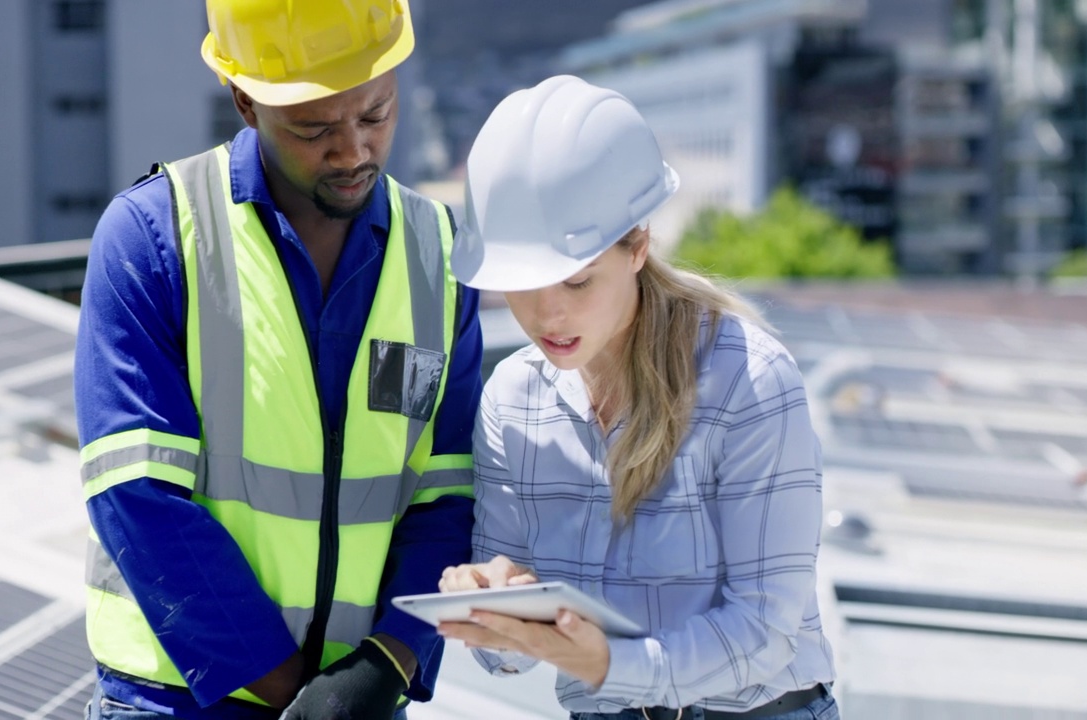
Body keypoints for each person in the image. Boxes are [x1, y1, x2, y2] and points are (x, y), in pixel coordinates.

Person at [74, 2, 482, 718]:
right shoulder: (152, 237)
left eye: (376, 114)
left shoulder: (441, 257)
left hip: (360, 696)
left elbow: (447, 497)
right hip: (178, 699)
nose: (353, 150)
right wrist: (297, 691)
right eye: (314, 128)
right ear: (245, 101)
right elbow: (137, 497)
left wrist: (388, 663)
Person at [436, 76, 840, 720]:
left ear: (639, 246)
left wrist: (608, 664)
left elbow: (766, 629)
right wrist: (496, 600)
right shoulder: (512, 399)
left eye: (575, 280)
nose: (546, 314)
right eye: (521, 284)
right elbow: (506, 658)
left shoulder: (749, 382)